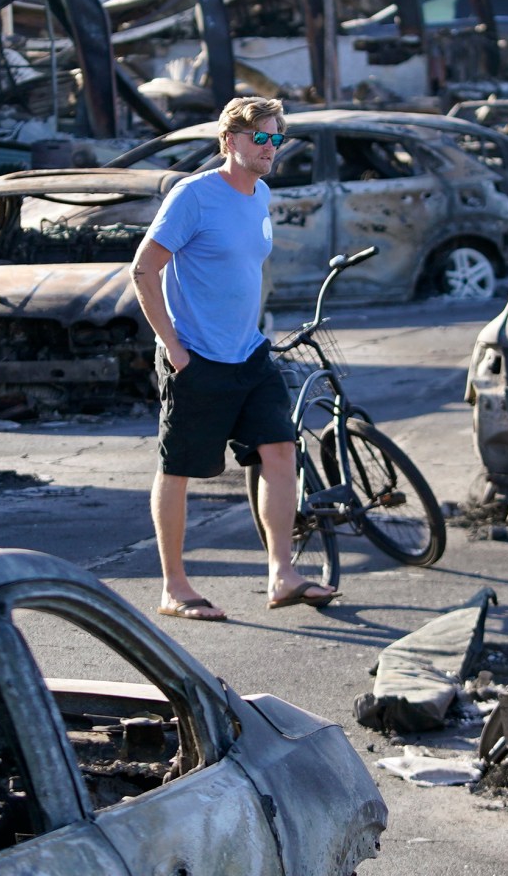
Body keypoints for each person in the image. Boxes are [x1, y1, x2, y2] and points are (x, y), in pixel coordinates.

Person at [132, 95, 334, 621]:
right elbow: (143, 271)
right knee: (177, 469)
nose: (269, 148)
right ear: (229, 141)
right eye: (258, 138)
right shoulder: (193, 196)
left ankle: (282, 574)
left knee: (281, 450)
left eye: (275, 139)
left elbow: (244, 269)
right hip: (196, 357)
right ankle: (174, 587)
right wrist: (173, 348)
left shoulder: (260, 194)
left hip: (249, 352)